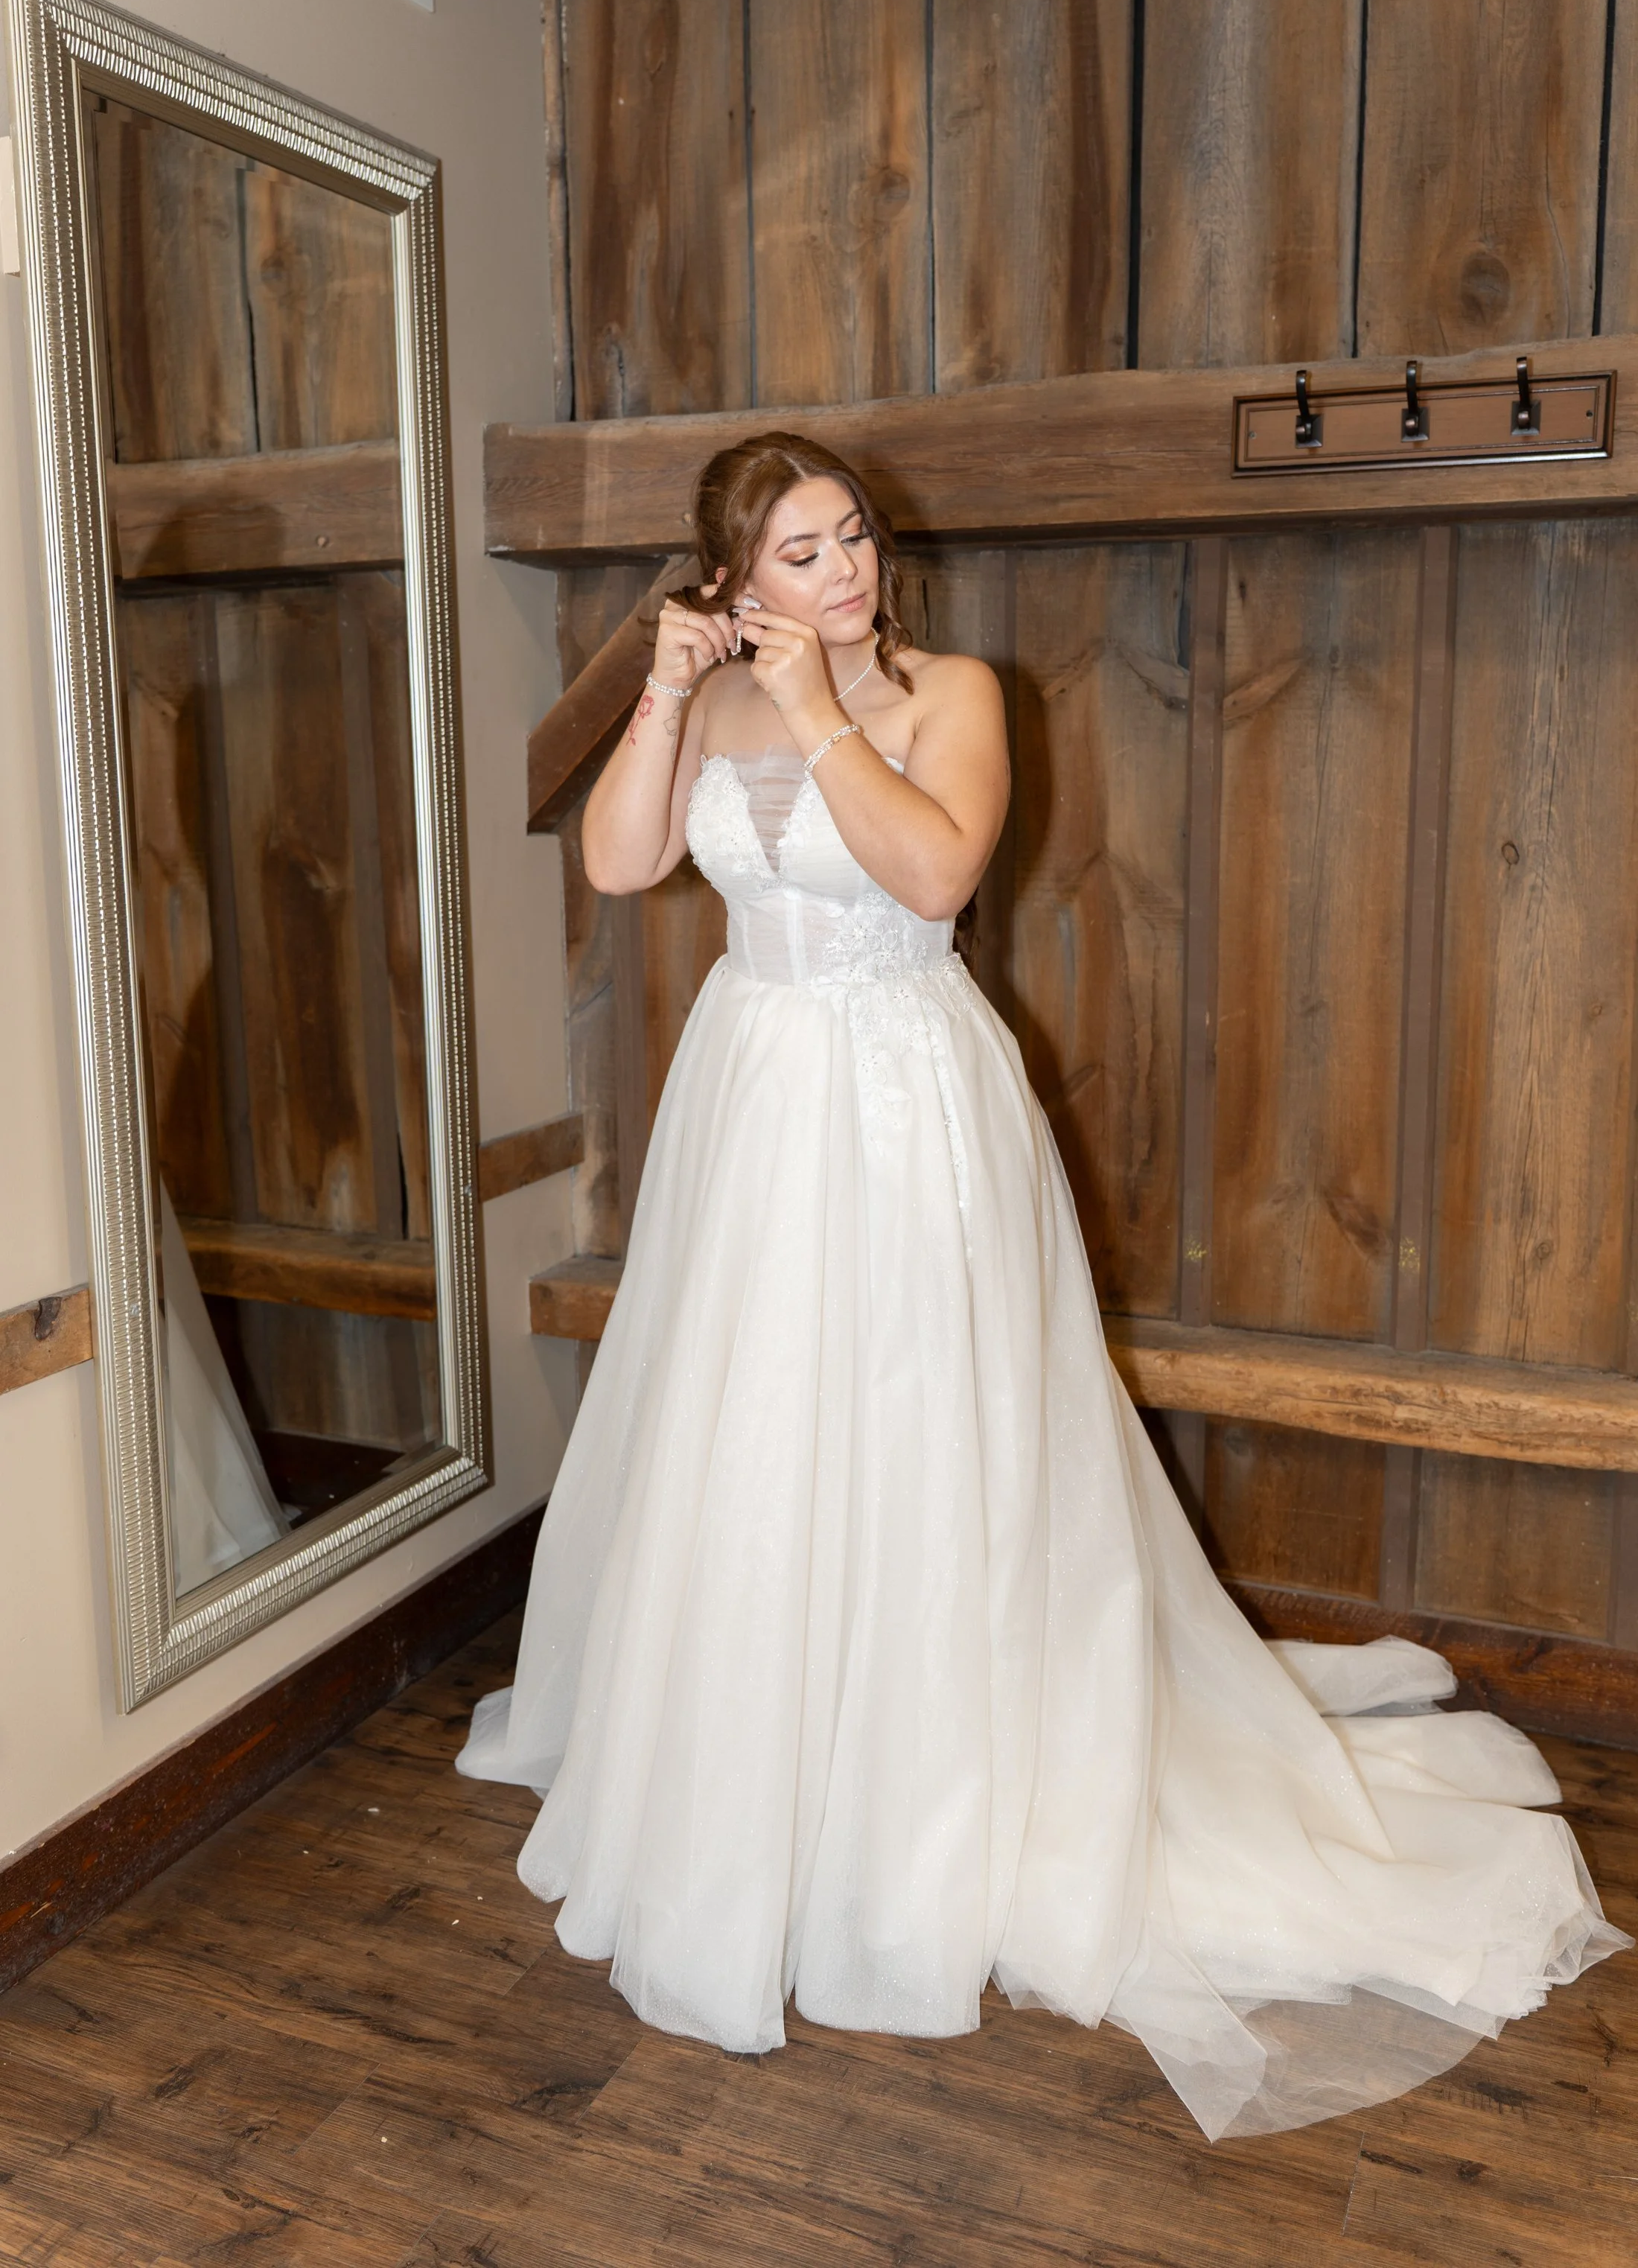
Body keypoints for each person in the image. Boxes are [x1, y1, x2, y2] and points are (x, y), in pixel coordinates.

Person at [459, 430, 1630, 2140]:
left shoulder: (954, 691)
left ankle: (936, 1800)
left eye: (849, 536)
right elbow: (622, 864)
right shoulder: (704, 697)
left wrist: (813, 708)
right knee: (758, 1437)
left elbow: (934, 874)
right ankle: (757, 1776)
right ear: (728, 581)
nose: (843, 571)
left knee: (928, 1433)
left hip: (902, 1095)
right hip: (753, 1095)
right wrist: (660, 689)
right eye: (796, 553)